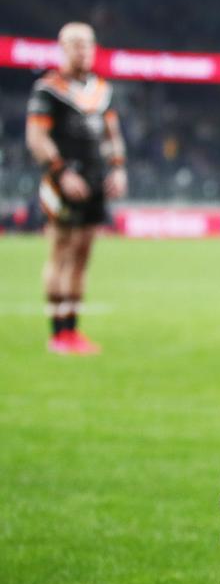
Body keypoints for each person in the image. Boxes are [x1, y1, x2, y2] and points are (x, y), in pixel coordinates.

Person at [26, 22, 127, 354]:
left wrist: (117, 168)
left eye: (88, 45)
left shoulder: (101, 90)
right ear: (63, 48)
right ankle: (57, 333)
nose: (84, 51)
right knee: (61, 250)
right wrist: (61, 172)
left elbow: (112, 135)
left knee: (83, 254)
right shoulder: (48, 90)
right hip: (63, 181)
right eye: (76, 45)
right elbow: (37, 138)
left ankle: (73, 330)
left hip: (95, 180)